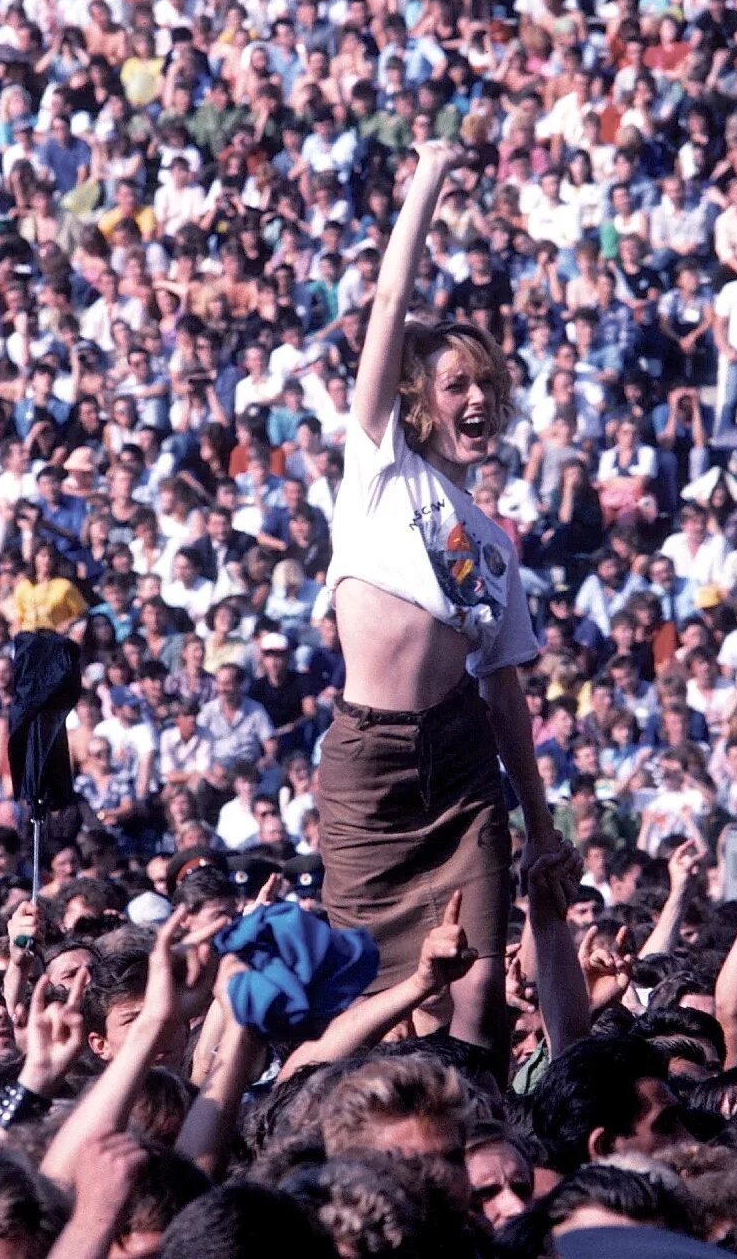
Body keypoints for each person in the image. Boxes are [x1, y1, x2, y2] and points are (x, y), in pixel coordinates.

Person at [317, 139, 574, 1061]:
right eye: (454, 383)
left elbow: (506, 691)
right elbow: (388, 306)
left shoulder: (496, 542)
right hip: (372, 763)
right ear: (418, 402)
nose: (475, 399)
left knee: (476, 993)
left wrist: (540, 826)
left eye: (485, 386)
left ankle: (481, 1131)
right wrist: (425, 180)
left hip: (464, 770)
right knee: (369, 990)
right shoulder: (379, 468)